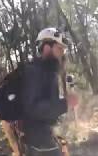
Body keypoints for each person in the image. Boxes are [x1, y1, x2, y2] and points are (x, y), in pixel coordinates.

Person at [18, 28, 78, 156]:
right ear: (46, 46)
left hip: (46, 138)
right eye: (59, 48)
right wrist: (65, 104)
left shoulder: (48, 71)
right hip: (39, 143)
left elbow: (46, 103)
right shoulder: (34, 71)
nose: (61, 53)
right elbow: (33, 108)